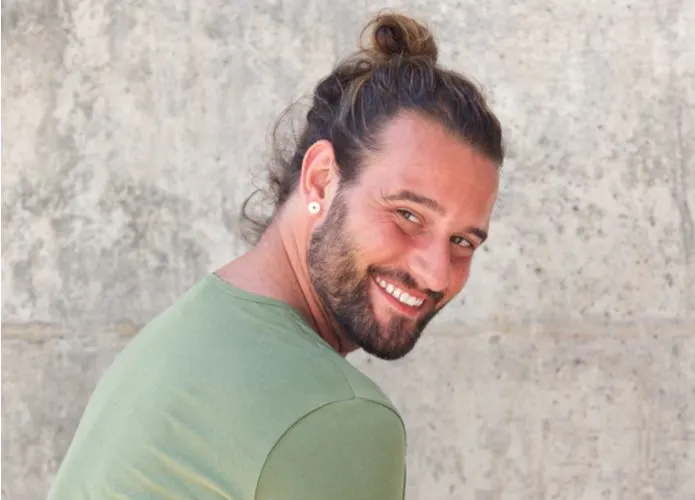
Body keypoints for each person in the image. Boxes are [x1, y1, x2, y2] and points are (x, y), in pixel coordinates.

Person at [47, 11, 504, 500]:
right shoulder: (335, 414)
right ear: (322, 179)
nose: (435, 273)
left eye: (463, 242)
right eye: (408, 215)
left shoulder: (186, 331)